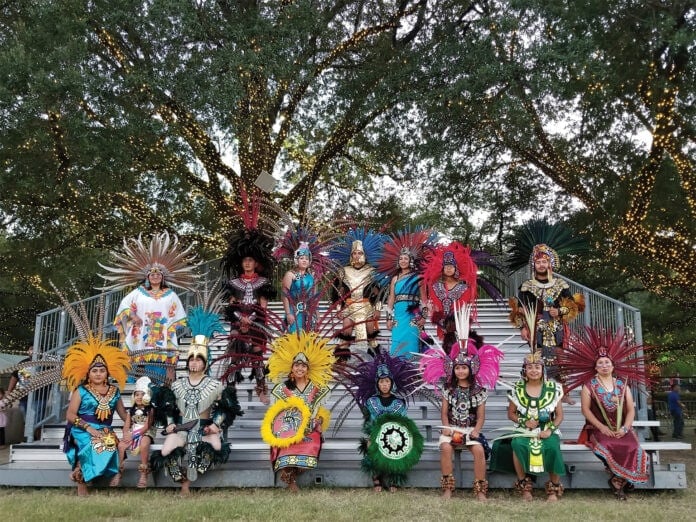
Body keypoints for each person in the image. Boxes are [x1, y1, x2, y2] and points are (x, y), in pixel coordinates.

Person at [420, 304, 501, 501]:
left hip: (470, 431)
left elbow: (481, 416)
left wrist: (476, 430)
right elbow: (444, 412)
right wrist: (447, 428)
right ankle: (448, 487)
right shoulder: (449, 389)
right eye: (458, 369)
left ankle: (480, 490)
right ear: (453, 370)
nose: (461, 371)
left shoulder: (479, 390)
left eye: (464, 368)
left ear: (470, 370)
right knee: (446, 448)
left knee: (479, 449)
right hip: (452, 430)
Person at [100, 232, 199, 383]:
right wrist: (133, 316)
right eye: (152, 274)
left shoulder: (171, 294)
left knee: (165, 360)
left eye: (158, 274)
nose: (155, 276)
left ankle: (164, 386)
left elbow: (178, 314)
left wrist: (170, 327)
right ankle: (137, 387)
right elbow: (124, 305)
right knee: (139, 358)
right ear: (147, 278)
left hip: (162, 333)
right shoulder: (137, 293)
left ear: (163, 277)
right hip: (141, 332)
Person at [152, 335, 238, 496]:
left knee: (216, 448)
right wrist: (170, 423)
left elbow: (226, 408)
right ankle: (182, 480)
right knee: (165, 452)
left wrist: (215, 424)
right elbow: (169, 407)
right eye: (191, 359)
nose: (194, 362)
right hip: (181, 427)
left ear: (205, 363)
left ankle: (188, 482)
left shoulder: (215, 385)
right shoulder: (177, 385)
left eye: (198, 359)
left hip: (204, 427)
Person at [508, 243, 583, 404]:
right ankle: (535, 389)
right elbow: (519, 309)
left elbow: (573, 305)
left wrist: (560, 310)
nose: (541, 265)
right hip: (536, 327)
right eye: (538, 262)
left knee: (560, 357)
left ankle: (564, 391)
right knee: (536, 358)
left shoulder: (561, 285)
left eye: (544, 262)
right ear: (533, 265)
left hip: (557, 326)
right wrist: (522, 327)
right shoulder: (527, 286)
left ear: (550, 263)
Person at [261, 331, 335, 491]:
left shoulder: (317, 388)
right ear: (291, 368)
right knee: (285, 447)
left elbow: (321, 410)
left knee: (311, 446)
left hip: (310, 430)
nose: (300, 368)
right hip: (289, 430)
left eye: (303, 366)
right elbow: (277, 413)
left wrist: (320, 421)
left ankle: (289, 476)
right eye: (297, 365)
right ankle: (292, 482)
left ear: (308, 369)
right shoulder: (282, 389)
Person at [490, 352, 565, 502]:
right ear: (524, 370)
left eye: (537, 367)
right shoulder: (517, 389)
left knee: (552, 447)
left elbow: (559, 416)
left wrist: (550, 430)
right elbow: (511, 414)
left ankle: (553, 489)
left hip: (547, 429)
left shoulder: (553, 388)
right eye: (530, 367)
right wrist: (524, 422)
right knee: (517, 444)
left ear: (542, 370)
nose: (534, 370)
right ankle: (525, 487)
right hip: (524, 429)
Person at [62, 334, 131, 496]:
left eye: (102, 370)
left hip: (105, 429)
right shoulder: (81, 390)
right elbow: (70, 415)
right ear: (88, 374)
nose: (98, 374)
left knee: (109, 442)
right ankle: (82, 481)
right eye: (94, 371)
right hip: (82, 429)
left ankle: (106, 473)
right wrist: (88, 428)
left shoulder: (114, 391)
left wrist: (130, 423)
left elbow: (123, 413)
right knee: (93, 443)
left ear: (107, 373)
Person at [221, 206, 276, 405]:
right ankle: (230, 389)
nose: (247, 263)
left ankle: (261, 385)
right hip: (237, 321)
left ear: (256, 262)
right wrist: (239, 319)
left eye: (250, 260)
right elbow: (230, 306)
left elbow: (263, 307)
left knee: (256, 354)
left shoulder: (262, 283)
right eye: (244, 260)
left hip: (256, 322)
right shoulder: (234, 283)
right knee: (234, 352)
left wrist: (251, 319)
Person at [350, 352, 422, 492]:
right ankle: (376, 478)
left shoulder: (399, 402)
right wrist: (371, 434)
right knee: (370, 443)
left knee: (401, 444)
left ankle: (395, 478)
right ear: (377, 384)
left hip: (395, 435)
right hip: (376, 434)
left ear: (392, 383)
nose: (384, 385)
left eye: (387, 381)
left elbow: (403, 423)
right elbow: (368, 422)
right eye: (382, 382)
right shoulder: (371, 402)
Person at [331, 229, 386, 359]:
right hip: (349, 306)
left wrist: (378, 308)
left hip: (367, 306)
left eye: (359, 253)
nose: (357, 255)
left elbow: (380, 291)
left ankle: (376, 359)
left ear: (364, 254)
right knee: (346, 331)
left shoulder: (371, 271)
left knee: (370, 332)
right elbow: (336, 291)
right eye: (354, 253)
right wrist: (338, 308)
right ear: (351, 255)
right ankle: (341, 360)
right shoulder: (343, 271)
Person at [422, 242, 478, 340]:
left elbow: (465, 308)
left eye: (451, 266)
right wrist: (440, 320)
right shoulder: (436, 287)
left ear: (456, 269)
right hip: (442, 323)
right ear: (442, 269)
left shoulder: (464, 288)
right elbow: (435, 306)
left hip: (459, 324)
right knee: (446, 349)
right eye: (446, 266)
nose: (448, 269)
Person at [112, 376, 155, 488]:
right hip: (133, 432)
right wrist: (126, 434)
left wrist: (134, 435)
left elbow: (147, 426)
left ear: (147, 396)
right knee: (121, 446)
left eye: (142, 394)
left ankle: (143, 473)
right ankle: (118, 472)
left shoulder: (150, 410)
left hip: (146, 432)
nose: (139, 397)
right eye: (137, 394)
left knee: (144, 444)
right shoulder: (131, 411)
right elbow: (126, 425)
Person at [281, 242, 317, 333]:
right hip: (294, 311)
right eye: (301, 258)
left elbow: (314, 298)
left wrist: (317, 315)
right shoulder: (290, 275)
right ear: (296, 260)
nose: (304, 260)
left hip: (308, 313)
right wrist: (288, 313)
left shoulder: (311, 277)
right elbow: (284, 295)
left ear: (309, 261)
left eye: (307, 259)